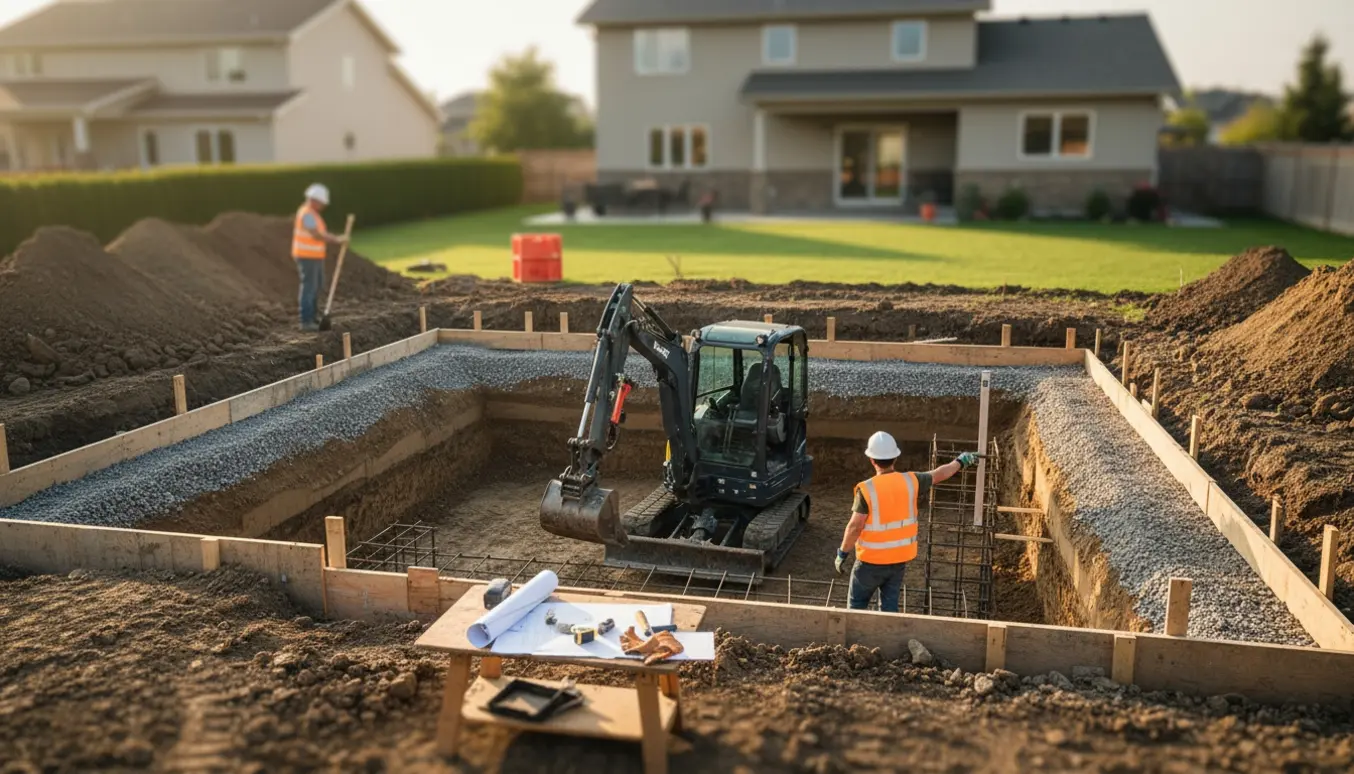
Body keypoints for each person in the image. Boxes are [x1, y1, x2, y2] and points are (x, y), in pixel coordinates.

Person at [834, 431, 978, 612]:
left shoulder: (867, 489)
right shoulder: (912, 481)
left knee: (856, 606)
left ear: (871, 459)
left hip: (870, 562)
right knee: (888, 607)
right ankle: (887, 638)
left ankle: (856, 641)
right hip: (898, 560)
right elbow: (939, 474)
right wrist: (960, 461)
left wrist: (842, 553)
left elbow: (855, 526)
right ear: (895, 458)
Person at [293, 183, 348, 331]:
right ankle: (306, 321)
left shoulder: (313, 214)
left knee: (317, 286)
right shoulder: (306, 214)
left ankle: (313, 317)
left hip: (315, 256)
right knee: (309, 287)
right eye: (322, 202)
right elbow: (316, 234)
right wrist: (336, 239)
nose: (323, 206)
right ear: (314, 200)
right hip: (306, 256)